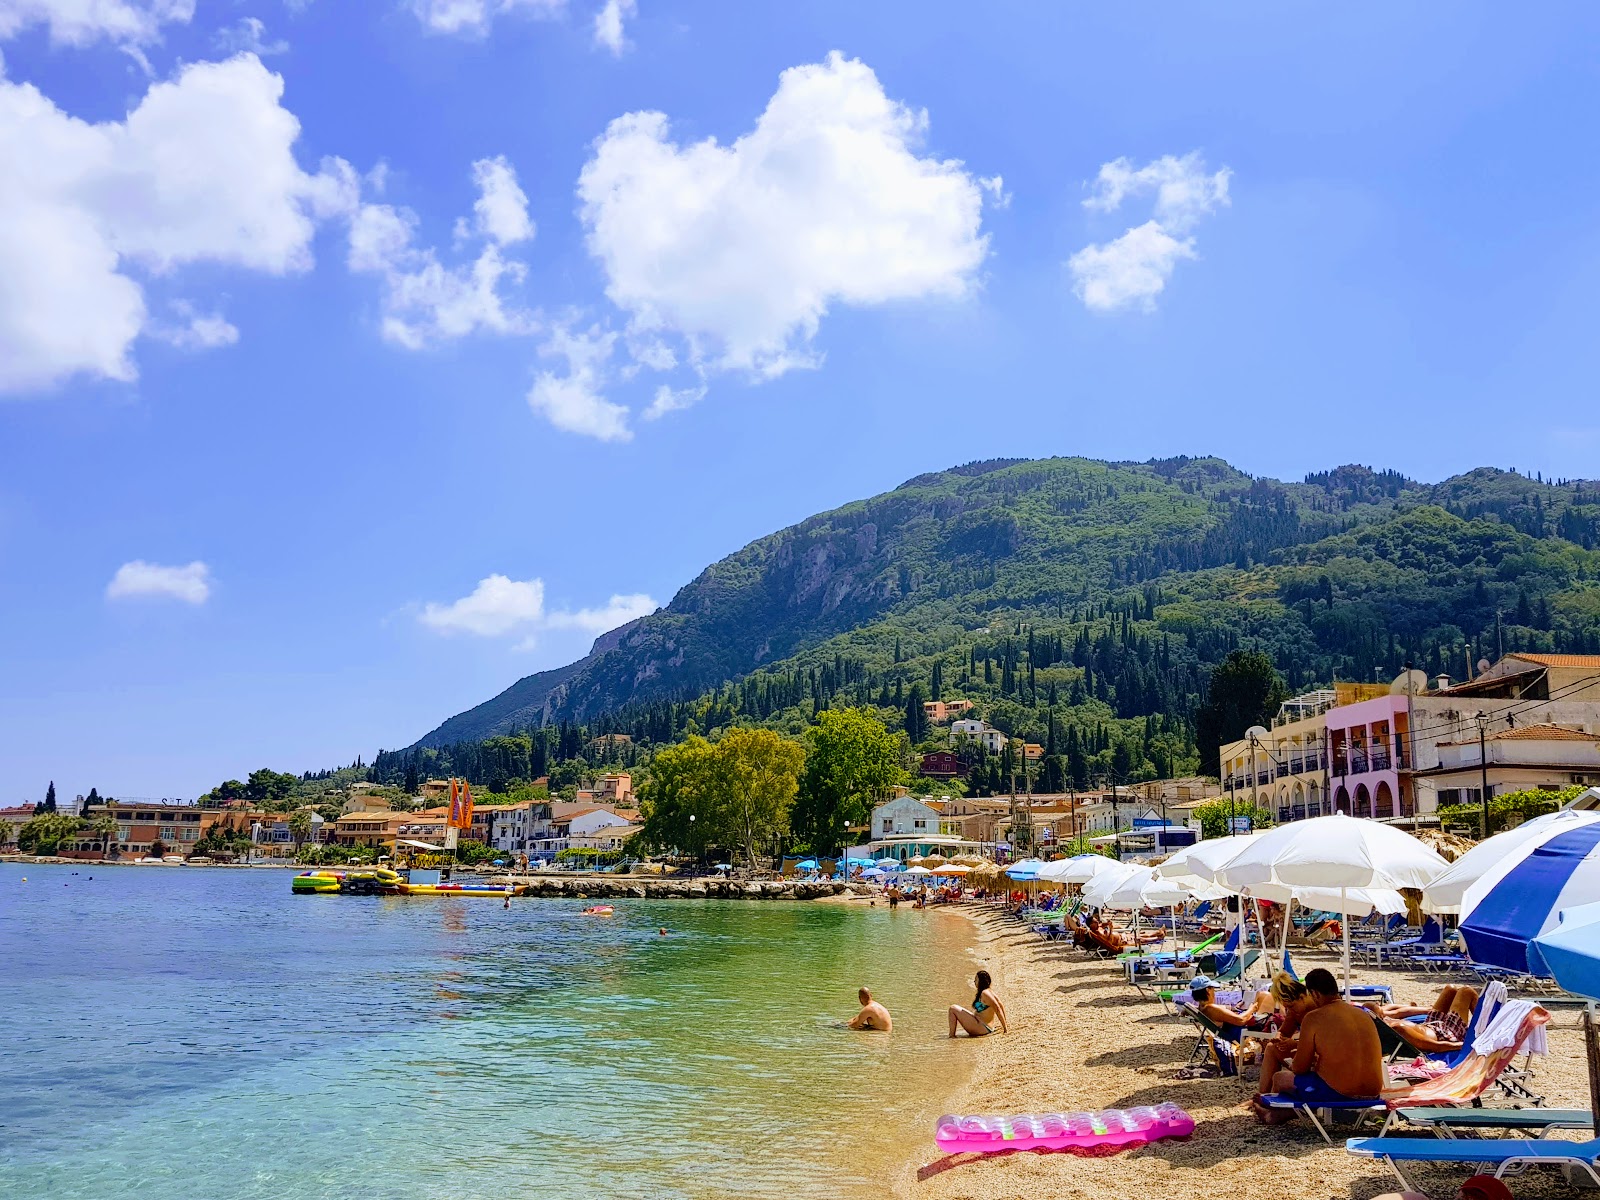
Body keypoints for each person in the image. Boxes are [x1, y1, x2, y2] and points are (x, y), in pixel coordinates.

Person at [1252, 967, 1385, 1123]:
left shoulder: (1314, 1018)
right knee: (1314, 1083)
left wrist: (1297, 1050)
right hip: (1373, 1091)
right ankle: (1279, 1114)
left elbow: (1299, 1068)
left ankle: (1272, 1115)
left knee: (1280, 1079)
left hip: (1340, 1093)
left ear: (1314, 993)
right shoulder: (1362, 1014)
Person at [1253, 973, 1314, 1099]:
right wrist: (1279, 1038)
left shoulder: (1317, 1011)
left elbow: (1323, 1045)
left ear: (1303, 997)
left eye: (1291, 1006)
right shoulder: (1295, 1011)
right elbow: (1284, 1032)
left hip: (1320, 1058)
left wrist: (1295, 1044)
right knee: (1271, 1047)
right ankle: (1262, 1096)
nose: (1290, 1010)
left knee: (1280, 1078)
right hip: (1308, 1054)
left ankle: (1270, 1101)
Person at [1374, 984, 1478, 1054]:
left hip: (1431, 1024)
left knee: (1450, 989)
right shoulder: (1398, 1028)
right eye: (1378, 1007)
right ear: (1379, 1015)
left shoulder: (1384, 1023)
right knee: (1466, 991)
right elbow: (1434, 1046)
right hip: (1445, 1034)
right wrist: (1462, 1045)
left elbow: (1398, 1011)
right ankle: (1488, 1031)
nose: (1379, 1004)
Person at [1190, 975, 1275, 1042]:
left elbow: (1224, 1014)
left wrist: (1236, 1008)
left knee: (1262, 995)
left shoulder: (1202, 1008)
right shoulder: (1211, 1008)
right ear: (1208, 990)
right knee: (1268, 997)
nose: (1214, 992)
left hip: (1239, 1028)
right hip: (1244, 1032)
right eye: (1213, 989)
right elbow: (1240, 1020)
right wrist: (1251, 1009)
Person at [949, 969, 1007, 1037]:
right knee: (955, 1009)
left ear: (981, 982)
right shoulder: (989, 991)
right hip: (984, 1026)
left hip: (982, 1027)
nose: (974, 982)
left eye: (976, 980)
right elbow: (1000, 1005)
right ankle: (952, 1036)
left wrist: (1005, 1028)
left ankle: (951, 1036)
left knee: (952, 1008)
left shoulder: (985, 993)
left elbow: (997, 1008)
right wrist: (1005, 1022)